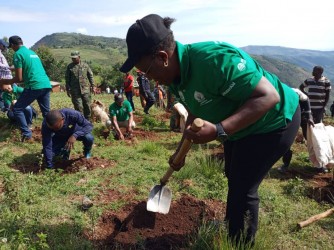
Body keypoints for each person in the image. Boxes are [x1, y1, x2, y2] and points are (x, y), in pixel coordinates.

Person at [120, 14, 300, 246]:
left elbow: (269, 96)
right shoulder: (174, 75)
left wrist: (218, 130)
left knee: (243, 187)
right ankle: (231, 225)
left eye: (146, 72)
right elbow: (197, 107)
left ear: (163, 57)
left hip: (274, 121)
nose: (148, 79)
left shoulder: (214, 61)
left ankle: (239, 243)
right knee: (232, 176)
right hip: (241, 125)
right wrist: (180, 150)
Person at [0, 36, 51, 142]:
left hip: (34, 85)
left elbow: (19, 78)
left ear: (13, 45)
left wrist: (5, 81)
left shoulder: (18, 54)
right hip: (46, 84)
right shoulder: (32, 53)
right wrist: (11, 68)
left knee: (17, 109)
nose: (12, 49)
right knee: (46, 113)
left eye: (11, 47)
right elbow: (28, 66)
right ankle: (51, 133)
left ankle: (27, 134)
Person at [278, 88, 316, 172]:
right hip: (290, 117)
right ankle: (286, 164)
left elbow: (306, 99)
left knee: (310, 138)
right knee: (287, 140)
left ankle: (319, 163)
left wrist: (309, 116)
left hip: (303, 116)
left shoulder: (295, 92)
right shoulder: (276, 97)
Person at [65, 51, 96, 119]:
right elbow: (67, 78)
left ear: (79, 57)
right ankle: (80, 121)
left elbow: (90, 75)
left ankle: (88, 121)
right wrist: (67, 89)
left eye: (75, 58)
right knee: (78, 106)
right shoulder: (70, 67)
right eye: (72, 58)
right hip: (75, 91)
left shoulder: (85, 65)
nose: (73, 59)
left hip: (85, 90)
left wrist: (93, 86)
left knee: (87, 105)